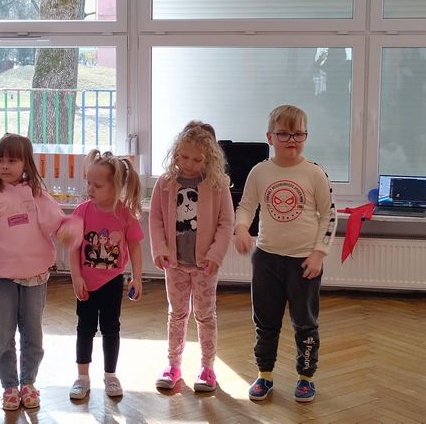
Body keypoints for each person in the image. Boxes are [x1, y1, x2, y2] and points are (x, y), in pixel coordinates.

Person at [0, 133, 81, 411]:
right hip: (0, 278)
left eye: (12, 160)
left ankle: (28, 382)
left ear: (26, 163)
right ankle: (9, 385)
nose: (5, 166)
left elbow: (58, 222)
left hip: (34, 276)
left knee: (33, 334)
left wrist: (68, 230)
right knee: (4, 334)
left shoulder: (38, 197)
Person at [233, 104, 336, 403]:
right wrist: (241, 228)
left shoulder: (315, 173)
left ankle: (306, 377)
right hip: (266, 259)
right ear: (270, 137)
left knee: (305, 323)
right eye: (284, 134)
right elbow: (246, 206)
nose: (292, 140)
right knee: (265, 322)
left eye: (298, 134)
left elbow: (329, 215)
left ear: (306, 136)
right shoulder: (259, 172)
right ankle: (264, 374)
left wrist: (319, 253)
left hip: (304, 262)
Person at [149, 120, 234, 392]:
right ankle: (173, 366)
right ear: (176, 153)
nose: (189, 164)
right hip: (174, 264)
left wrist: (215, 255)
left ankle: (207, 368)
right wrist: (160, 250)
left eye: (197, 160)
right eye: (184, 157)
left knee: (205, 316)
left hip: (205, 267)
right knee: (176, 315)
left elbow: (226, 223)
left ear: (209, 159)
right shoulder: (165, 183)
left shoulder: (218, 185)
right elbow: (156, 219)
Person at [68, 150, 143, 400]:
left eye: (97, 185)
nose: (90, 189)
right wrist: (76, 277)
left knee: (111, 329)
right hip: (86, 284)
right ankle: (82, 377)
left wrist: (137, 277)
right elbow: (74, 248)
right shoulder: (81, 212)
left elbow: (134, 246)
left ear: (115, 187)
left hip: (112, 282)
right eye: (88, 182)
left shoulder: (124, 214)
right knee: (84, 329)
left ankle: (110, 376)